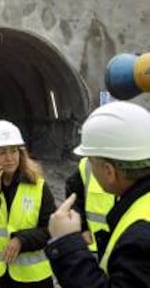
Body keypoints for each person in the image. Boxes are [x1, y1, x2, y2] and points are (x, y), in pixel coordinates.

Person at [45, 101, 150, 287]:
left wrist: (66, 243)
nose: (89, 169)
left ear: (109, 171)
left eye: (91, 162)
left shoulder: (140, 237)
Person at [0, 120, 56, 288]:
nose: (10, 158)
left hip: (31, 278)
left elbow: (51, 229)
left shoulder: (37, 186)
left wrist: (21, 240)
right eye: (2, 152)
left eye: (14, 151)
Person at [65, 157, 115, 252]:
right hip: (94, 247)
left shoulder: (141, 169)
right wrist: (82, 228)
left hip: (130, 247)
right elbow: (75, 199)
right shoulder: (87, 166)